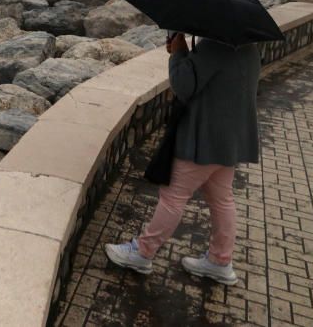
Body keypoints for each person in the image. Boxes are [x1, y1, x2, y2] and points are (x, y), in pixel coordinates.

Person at [103, 31, 261, 285]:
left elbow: (184, 86)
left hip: (206, 138)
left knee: (173, 196)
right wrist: (187, 53)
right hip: (230, 139)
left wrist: (178, 54)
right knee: (222, 199)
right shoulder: (246, 44)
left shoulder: (215, 45)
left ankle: (142, 253)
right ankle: (220, 260)